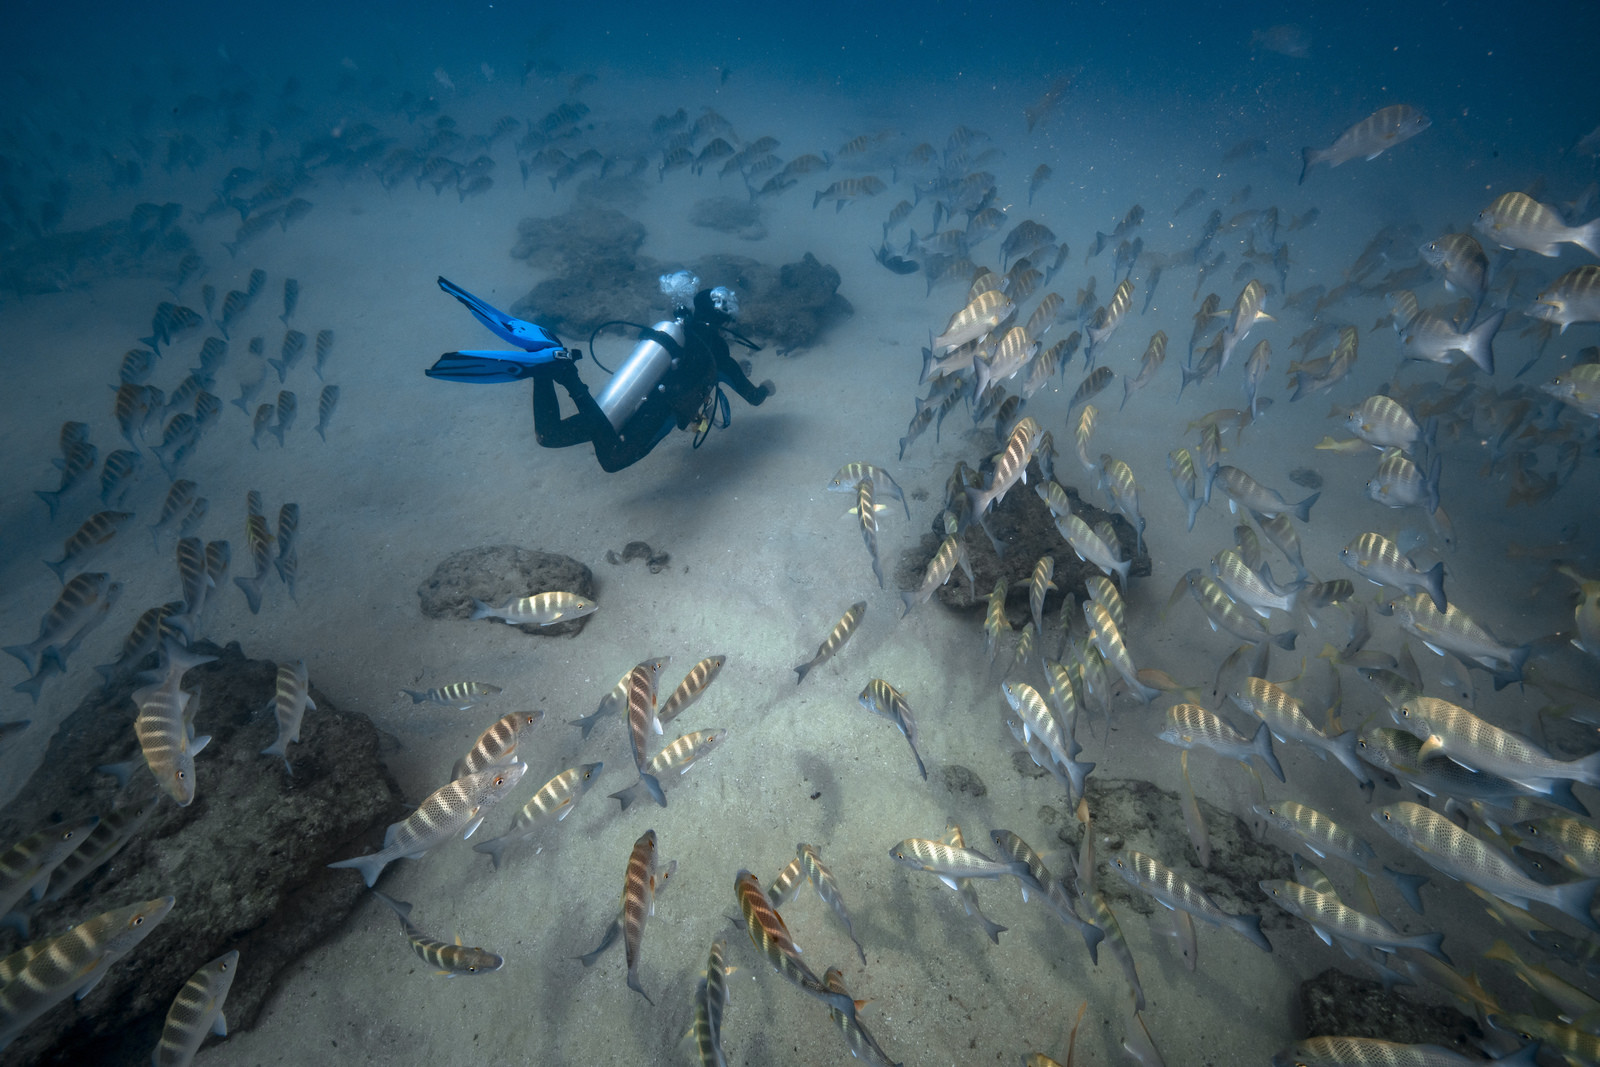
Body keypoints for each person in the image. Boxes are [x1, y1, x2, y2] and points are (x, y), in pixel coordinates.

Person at [426, 272, 774, 472]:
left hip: (623, 400)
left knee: (549, 436)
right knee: (611, 460)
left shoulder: (677, 333)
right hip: (651, 414)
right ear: (725, 323)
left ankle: (547, 366)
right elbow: (754, 397)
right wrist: (767, 389)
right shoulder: (720, 356)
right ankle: (564, 375)